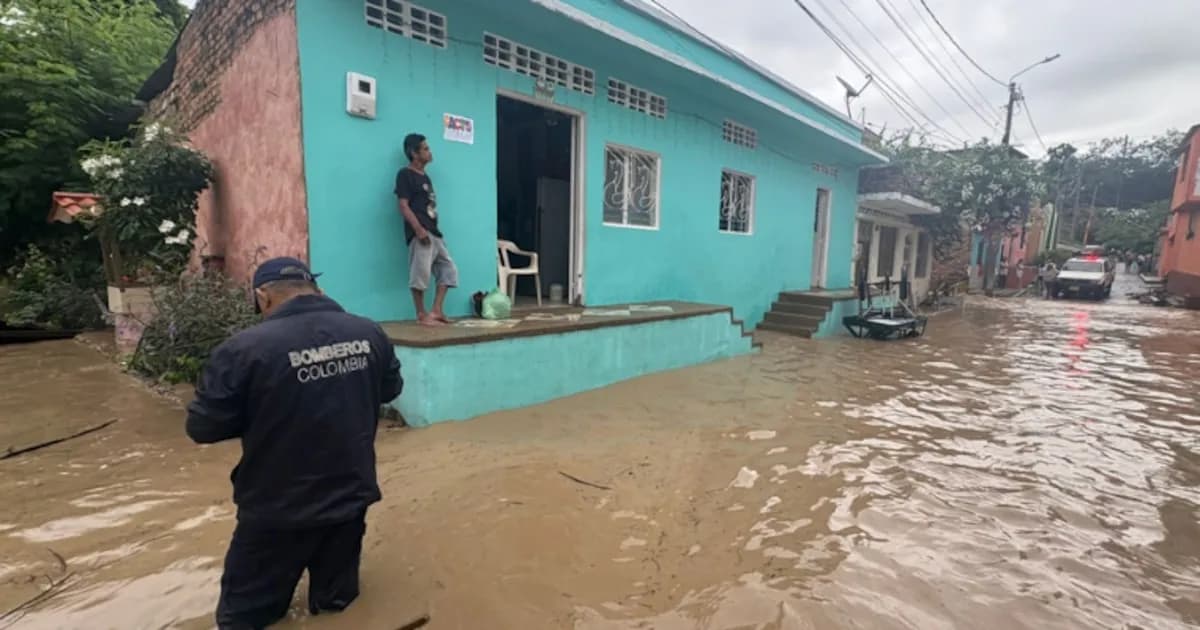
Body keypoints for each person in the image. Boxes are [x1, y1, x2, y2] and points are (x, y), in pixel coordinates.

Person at [187, 257, 403, 630]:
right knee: (338, 608)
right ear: (315, 289)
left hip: (277, 509)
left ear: (262, 297)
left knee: (246, 618)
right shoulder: (369, 333)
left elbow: (203, 427)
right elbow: (390, 389)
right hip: (350, 498)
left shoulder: (243, 350)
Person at [396, 133, 458, 326]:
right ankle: (421, 314)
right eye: (425, 149)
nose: (429, 152)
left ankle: (437, 310)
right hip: (421, 231)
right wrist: (418, 229)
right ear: (414, 153)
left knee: (448, 270)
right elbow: (403, 205)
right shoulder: (405, 175)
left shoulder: (426, 177)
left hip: (434, 232)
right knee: (420, 274)